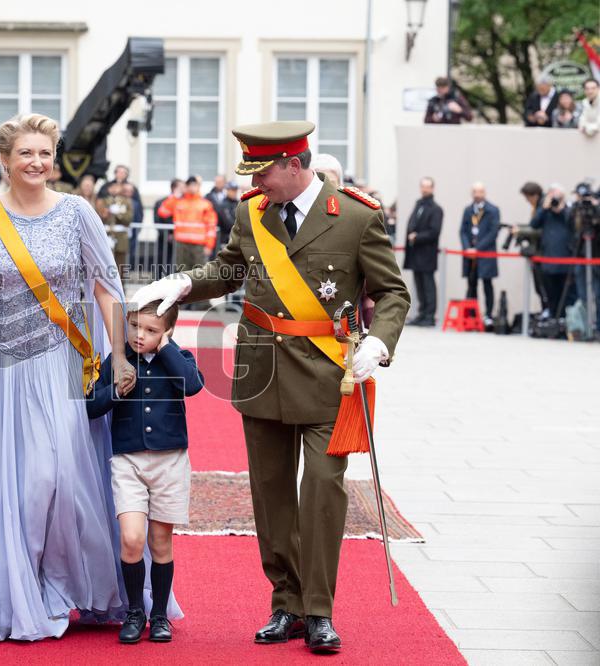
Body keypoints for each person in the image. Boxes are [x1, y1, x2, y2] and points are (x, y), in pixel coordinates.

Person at [131, 120, 409, 654]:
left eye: (264, 172)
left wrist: (380, 341)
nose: (256, 184)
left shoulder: (354, 215)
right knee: (272, 495)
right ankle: (286, 604)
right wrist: (187, 283)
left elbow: (393, 292)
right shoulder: (251, 212)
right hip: (262, 373)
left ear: (292, 165)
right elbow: (230, 272)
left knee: (323, 490)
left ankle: (319, 610)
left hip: (332, 375)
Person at [0, 113, 172, 640]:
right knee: (10, 484)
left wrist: (118, 357)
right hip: (0, 369)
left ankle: (63, 583)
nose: (36, 162)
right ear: (5, 160)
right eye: (26, 153)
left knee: (58, 479)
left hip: (62, 369)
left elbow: (107, 288)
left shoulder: (77, 214)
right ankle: (14, 592)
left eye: (44, 154)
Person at [86, 300, 203, 644]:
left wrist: (166, 346)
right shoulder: (118, 360)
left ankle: (160, 614)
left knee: (161, 542)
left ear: (166, 331)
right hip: (128, 461)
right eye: (135, 326)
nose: (140, 335)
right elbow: (91, 404)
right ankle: (135, 610)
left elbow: (192, 384)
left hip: (170, 462)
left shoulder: (177, 358)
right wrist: (115, 393)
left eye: (151, 330)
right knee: (132, 538)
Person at [158, 176, 217, 309]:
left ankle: (202, 303)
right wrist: (174, 196)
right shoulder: (178, 201)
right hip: (181, 244)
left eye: (194, 185)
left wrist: (209, 245)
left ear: (198, 186)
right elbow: (162, 212)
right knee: (182, 274)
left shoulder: (205, 204)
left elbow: (211, 226)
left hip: (198, 245)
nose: (192, 187)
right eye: (189, 185)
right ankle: (182, 303)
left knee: (200, 274)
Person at [531, 184, 576, 318]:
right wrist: (543, 208)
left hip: (565, 261)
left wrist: (561, 210)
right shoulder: (545, 212)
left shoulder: (568, 209)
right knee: (550, 294)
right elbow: (534, 224)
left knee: (567, 295)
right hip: (548, 261)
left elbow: (573, 223)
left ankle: (564, 321)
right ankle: (552, 319)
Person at [460, 182, 501, 326]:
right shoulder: (468, 210)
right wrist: (467, 248)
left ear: (485, 193)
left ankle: (488, 314)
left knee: (487, 284)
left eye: (480, 192)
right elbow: (463, 231)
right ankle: (472, 316)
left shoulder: (493, 210)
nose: (478, 195)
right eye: (475, 192)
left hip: (485, 254)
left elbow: (493, 233)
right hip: (470, 255)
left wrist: (478, 249)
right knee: (471, 284)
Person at [403, 177, 443, 326]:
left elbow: (434, 231)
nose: (425, 189)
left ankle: (430, 315)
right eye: (423, 186)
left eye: (428, 187)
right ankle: (421, 313)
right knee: (419, 283)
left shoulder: (436, 209)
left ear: (432, 188)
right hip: (415, 253)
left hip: (427, 253)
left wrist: (417, 236)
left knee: (428, 284)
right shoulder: (418, 205)